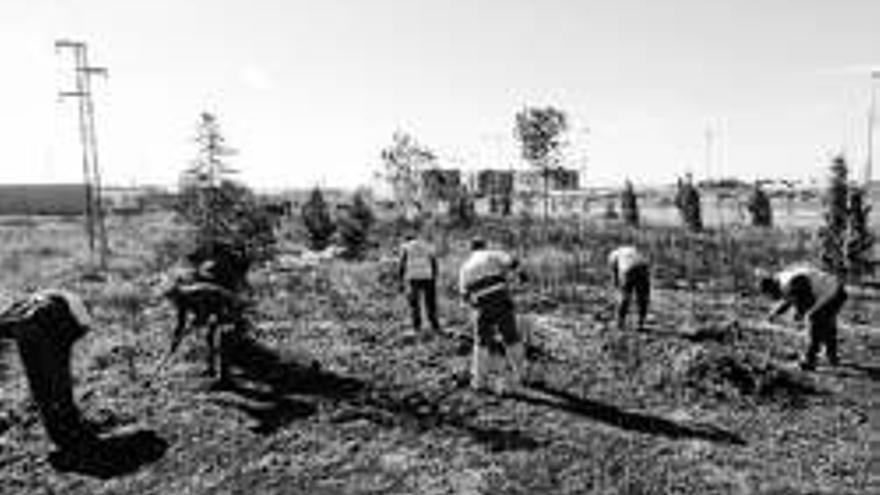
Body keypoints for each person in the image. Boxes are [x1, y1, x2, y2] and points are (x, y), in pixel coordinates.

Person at [0, 290, 98, 453]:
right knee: (58, 375)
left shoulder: (26, 302)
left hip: (22, 326)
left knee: (37, 381)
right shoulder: (75, 308)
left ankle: (56, 432)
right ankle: (70, 424)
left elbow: (5, 323)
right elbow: (64, 355)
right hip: (47, 321)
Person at [458, 237, 526, 394]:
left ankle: (478, 382)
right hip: (500, 299)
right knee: (511, 337)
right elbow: (512, 261)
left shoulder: (465, 266)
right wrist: (521, 275)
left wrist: (476, 310)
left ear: (471, 249)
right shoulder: (492, 254)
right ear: (484, 246)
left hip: (481, 305)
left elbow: (464, 295)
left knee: (480, 343)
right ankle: (521, 375)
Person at [759, 263, 847, 371]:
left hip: (833, 293)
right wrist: (775, 313)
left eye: (771, 295)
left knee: (815, 322)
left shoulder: (790, 282)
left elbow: (804, 297)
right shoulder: (783, 280)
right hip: (836, 289)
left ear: (773, 288)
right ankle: (831, 356)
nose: (774, 298)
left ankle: (809, 360)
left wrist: (800, 313)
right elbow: (790, 298)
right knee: (826, 323)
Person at [398, 228, 441, 334]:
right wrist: (435, 276)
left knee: (414, 303)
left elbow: (402, 263)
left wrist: (400, 280)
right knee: (430, 302)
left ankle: (417, 327)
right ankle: (435, 325)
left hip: (413, 277)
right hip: (428, 276)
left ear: (406, 240)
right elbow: (434, 261)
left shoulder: (405, 247)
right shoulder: (427, 245)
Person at [607, 245, 651, 331]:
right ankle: (640, 322)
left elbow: (616, 281)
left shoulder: (613, 256)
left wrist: (616, 293)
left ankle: (620, 322)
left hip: (628, 269)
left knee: (624, 296)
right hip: (642, 266)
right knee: (643, 297)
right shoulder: (632, 250)